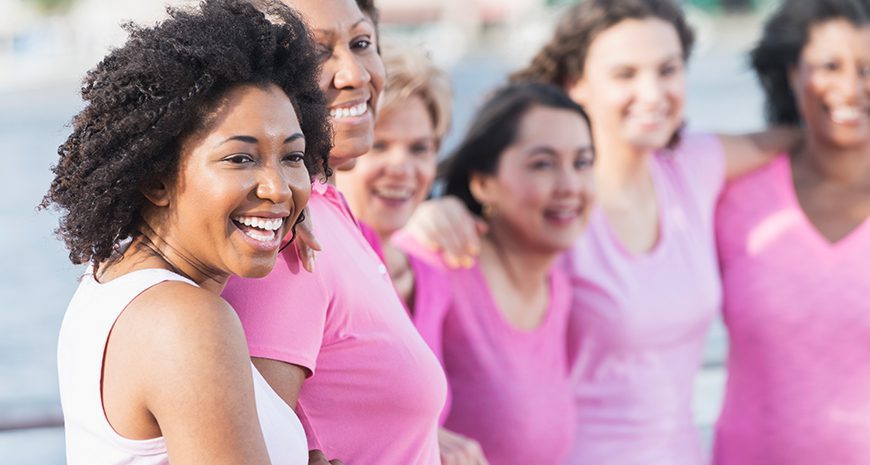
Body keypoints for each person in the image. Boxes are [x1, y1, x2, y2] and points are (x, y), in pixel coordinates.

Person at [404, 1, 799, 463]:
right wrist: (428, 214)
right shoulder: (551, 209)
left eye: (667, 69)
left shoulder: (693, 165)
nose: (652, 92)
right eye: (625, 73)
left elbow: (793, 140)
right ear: (578, 84)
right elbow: (468, 266)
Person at [42, 1, 338, 464]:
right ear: (156, 178)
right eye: (241, 158)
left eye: (293, 157)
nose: (277, 188)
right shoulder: (188, 321)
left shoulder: (110, 281)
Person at [221, 1, 446, 464]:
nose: (354, 74)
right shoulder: (280, 243)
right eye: (317, 53)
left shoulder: (327, 211)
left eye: (362, 43)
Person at [714, 1, 870, 463]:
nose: (850, 87)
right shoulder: (731, 196)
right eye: (829, 66)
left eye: (867, 68)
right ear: (790, 74)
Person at [334, 46, 490, 465]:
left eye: (420, 149)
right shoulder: (322, 267)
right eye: (380, 146)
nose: (402, 167)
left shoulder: (432, 277)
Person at [426, 82, 594, 465]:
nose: (570, 186)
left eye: (582, 163)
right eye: (543, 164)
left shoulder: (558, 288)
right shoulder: (441, 270)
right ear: (484, 183)